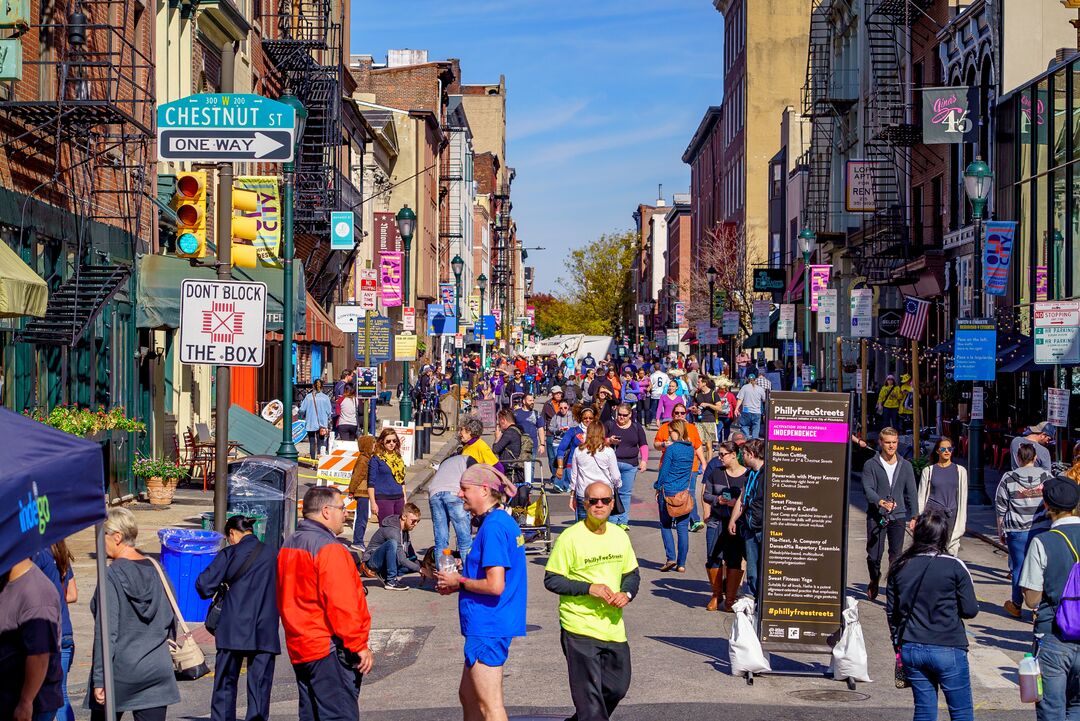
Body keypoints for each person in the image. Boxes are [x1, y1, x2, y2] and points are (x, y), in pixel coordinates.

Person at [436, 465, 527, 721]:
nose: (460, 493)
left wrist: (460, 580)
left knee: (490, 706)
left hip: (488, 624)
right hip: (487, 623)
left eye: (465, 489)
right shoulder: (500, 521)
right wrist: (459, 579)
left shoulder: (494, 527)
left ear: (485, 490)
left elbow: (495, 585)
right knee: (469, 695)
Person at [544, 481, 638, 721]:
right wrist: (589, 588)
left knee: (617, 688)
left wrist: (625, 593)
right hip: (579, 626)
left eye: (605, 501)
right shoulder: (570, 537)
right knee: (589, 699)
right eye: (593, 501)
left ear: (612, 503)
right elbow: (552, 579)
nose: (599, 505)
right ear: (583, 504)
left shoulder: (619, 536)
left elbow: (631, 574)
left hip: (613, 627)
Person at [278, 486, 374, 721]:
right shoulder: (329, 548)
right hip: (326, 646)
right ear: (326, 511)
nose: (346, 514)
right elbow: (342, 604)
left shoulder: (290, 544)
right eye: (342, 508)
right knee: (339, 714)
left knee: (311, 712)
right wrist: (358, 644)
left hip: (301, 643)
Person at [887, 509, 978, 721]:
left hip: (911, 646)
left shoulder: (900, 566)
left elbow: (893, 612)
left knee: (924, 710)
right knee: (961, 712)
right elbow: (970, 610)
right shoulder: (955, 566)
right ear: (943, 535)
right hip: (948, 646)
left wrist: (898, 644)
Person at [89, 507, 179, 721]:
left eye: (102, 536)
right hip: (157, 669)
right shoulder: (157, 568)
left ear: (117, 537)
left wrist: (100, 679)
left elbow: (106, 631)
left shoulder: (111, 575)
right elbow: (171, 617)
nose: (98, 543)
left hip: (120, 670)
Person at [196, 515, 280, 721]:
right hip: (265, 628)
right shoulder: (273, 553)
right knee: (260, 687)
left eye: (229, 537)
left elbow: (204, 586)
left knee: (225, 684)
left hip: (232, 627)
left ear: (232, 533)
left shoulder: (229, 554)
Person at [1020, 476, 1080, 721]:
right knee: (1077, 707)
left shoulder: (1042, 542)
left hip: (1053, 634)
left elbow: (1032, 600)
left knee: (1051, 710)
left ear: (1046, 506)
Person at [1, 554, 63, 721]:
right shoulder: (7, 581)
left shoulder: (37, 594)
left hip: (32, 704)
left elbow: (39, 655)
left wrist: (25, 702)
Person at [995, 442, 1052, 619]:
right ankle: (1037, 608)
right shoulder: (1046, 476)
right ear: (1035, 458)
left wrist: (1001, 531)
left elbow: (1001, 507)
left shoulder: (1008, 478)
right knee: (1040, 568)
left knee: (1019, 568)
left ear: (1018, 458)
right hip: (1041, 529)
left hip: (1016, 530)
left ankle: (1016, 604)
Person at [861, 426, 918, 601]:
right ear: (880, 443)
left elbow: (911, 492)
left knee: (896, 556)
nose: (891, 446)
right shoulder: (871, 464)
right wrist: (880, 502)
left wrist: (914, 515)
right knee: (874, 555)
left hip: (898, 515)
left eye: (894, 442)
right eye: (888, 443)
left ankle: (893, 593)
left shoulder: (905, 465)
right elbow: (868, 488)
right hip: (877, 515)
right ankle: (874, 578)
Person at [701, 440, 748, 612]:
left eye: (723, 454)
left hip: (737, 523)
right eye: (718, 454)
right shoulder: (716, 473)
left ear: (734, 455)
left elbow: (750, 499)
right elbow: (706, 495)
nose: (719, 457)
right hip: (717, 520)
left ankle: (730, 598)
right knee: (713, 557)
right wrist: (717, 500)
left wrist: (737, 503)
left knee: (734, 559)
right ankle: (716, 594)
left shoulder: (746, 475)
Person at [33, 542, 77, 721]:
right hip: (65, 631)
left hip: (47, 632)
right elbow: (73, 594)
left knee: (43, 698)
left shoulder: (37, 555)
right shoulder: (61, 553)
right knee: (61, 693)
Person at [654, 404, 707, 532]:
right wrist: (663, 444)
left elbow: (698, 446)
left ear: (686, 414)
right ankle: (671, 515)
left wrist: (704, 462)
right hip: (669, 466)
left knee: (689, 493)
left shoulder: (691, 428)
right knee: (669, 493)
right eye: (677, 413)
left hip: (690, 467)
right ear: (672, 414)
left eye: (682, 413)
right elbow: (656, 444)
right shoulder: (665, 428)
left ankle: (694, 520)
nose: (679, 415)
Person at [653, 419, 695, 573]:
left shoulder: (671, 449)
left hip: (668, 491)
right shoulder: (690, 449)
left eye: (671, 432)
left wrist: (657, 486)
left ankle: (671, 557)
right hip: (683, 492)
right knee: (682, 528)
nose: (669, 435)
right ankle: (681, 563)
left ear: (678, 431)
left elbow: (664, 471)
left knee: (665, 525)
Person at [728, 438, 767, 598]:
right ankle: (752, 598)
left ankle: (762, 599)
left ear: (751, 454)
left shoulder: (768, 473)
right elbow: (743, 498)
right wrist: (733, 520)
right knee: (752, 568)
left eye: (743, 453)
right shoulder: (750, 473)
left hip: (764, 527)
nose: (741, 457)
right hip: (750, 527)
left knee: (764, 567)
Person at [917, 436, 969, 555]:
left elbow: (963, 497)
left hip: (952, 514)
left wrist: (963, 521)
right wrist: (918, 517)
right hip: (933, 515)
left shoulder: (960, 471)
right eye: (943, 449)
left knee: (951, 548)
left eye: (949, 449)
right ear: (937, 451)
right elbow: (921, 496)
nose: (946, 451)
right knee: (932, 547)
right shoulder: (928, 471)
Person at [605, 403, 648, 527]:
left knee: (625, 493)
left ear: (630, 415)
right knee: (611, 493)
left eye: (624, 415)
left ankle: (623, 521)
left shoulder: (636, 427)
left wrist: (644, 460)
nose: (621, 418)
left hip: (630, 465)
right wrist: (609, 441)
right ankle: (612, 521)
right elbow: (599, 440)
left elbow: (643, 444)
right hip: (612, 464)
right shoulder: (610, 425)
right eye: (619, 415)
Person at [362, 504, 423, 590]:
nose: (415, 524)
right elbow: (402, 559)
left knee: (415, 565)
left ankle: (385, 573)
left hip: (386, 561)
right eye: (413, 521)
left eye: (418, 521)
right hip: (373, 562)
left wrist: (421, 566)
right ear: (404, 517)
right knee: (392, 543)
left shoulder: (404, 530)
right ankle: (391, 581)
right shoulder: (392, 531)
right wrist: (420, 569)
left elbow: (411, 554)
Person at [570, 422, 622, 523]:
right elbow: (616, 476)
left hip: (584, 493)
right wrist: (617, 485)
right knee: (602, 525)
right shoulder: (608, 451)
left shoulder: (578, 451)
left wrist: (572, 495)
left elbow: (574, 476)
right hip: (604, 493)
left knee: (583, 526)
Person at [429, 453, 476, 561]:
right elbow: (473, 480)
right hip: (453, 493)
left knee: (440, 540)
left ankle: (442, 576)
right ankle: (468, 574)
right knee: (464, 540)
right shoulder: (469, 459)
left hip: (434, 494)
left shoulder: (445, 462)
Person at [369, 428, 407, 523]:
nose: (391, 443)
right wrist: (373, 503)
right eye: (388, 441)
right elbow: (370, 483)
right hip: (383, 499)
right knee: (388, 529)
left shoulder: (398, 458)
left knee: (399, 529)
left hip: (399, 497)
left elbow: (401, 481)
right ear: (382, 442)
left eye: (394, 441)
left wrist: (405, 499)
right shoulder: (376, 459)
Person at [555, 406, 597, 494]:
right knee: (580, 493)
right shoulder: (573, 431)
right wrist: (560, 467)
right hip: (573, 467)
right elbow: (561, 449)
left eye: (590, 418)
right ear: (581, 418)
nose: (588, 420)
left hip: (592, 467)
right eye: (585, 418)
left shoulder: (597, 432)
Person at [348, 435, 378, 551]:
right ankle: (358, 541)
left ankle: (358, 540)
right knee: (362, 517)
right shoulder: (363, 459)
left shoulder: (367, 458)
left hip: (364, 492)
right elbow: (357, 476)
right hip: (362, 492)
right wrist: (352, 490)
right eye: (372, 444)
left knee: (363, 516)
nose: (374, 446)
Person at [299, 379, 332, 458]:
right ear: (322, 386)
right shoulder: (325, 398)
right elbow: (329, 412)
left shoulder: (308, 397)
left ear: (313, 386)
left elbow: (302, 409)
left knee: (312, 442)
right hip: (322, 423)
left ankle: (313, 459)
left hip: (310, 422)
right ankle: (320, 459)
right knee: (321, 442)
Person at [692, 375, 722, 462]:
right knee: (699, 444)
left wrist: (708, 404)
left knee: (709, 445)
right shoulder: (697, 394)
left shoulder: (713, 394)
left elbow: (719, 408)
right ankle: (701, 463)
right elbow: (695, 406)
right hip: (699, 421)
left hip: (710, 420)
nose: (697, 383)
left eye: (699, 382)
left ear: (704, 383)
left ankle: (708, 464)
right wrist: (695, 410)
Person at [492, 409, 525, 482]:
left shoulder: (509, 432)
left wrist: (497, 438)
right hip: (517, 469)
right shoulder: (518, 430)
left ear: (503, 420)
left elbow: (495, 449)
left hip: (510, 471)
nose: (498, 424)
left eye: (498, 422)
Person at [545, 398, 575, 479]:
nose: (563, 410)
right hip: (557, 441)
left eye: (565, 407)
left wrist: (570, 428)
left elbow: (577, 426)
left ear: (568, 407)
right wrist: (557, 430)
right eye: (561, 408)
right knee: (558, 462)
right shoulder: (556, 416)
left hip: (569, 443)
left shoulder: (572, 415)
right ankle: (558, 480)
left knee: (568, 462)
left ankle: (565, 481)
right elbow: (550, 427)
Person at [514, 394, 545, 467]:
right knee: (519, 465)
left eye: (533, 400)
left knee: (531, 466)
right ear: (524, 401)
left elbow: (541, 429)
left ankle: (530, 479)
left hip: (533, 445)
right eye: (530, 400)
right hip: (519, 444)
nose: (532, 402)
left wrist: (542, 444)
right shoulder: (515, 413)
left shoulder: (537, 414)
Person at [735, 374, 767, 439]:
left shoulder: (744, 387)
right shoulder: (760, 389)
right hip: (757, 412)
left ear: (747, 380)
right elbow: (765, 400)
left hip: (746, 411)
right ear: (755, 380)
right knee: (756, 428)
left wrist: (736, 408)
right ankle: (754, 442)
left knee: (744, 426)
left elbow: (740, 399)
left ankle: (747, 439)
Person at [714, 378, 738, 442]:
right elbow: (735, 405)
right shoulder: (730, 395)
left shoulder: (715, 394)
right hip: (728, 415)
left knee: (719, 429)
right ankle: (726, 441)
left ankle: (719, 443)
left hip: (718, 415)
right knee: (727, 429)